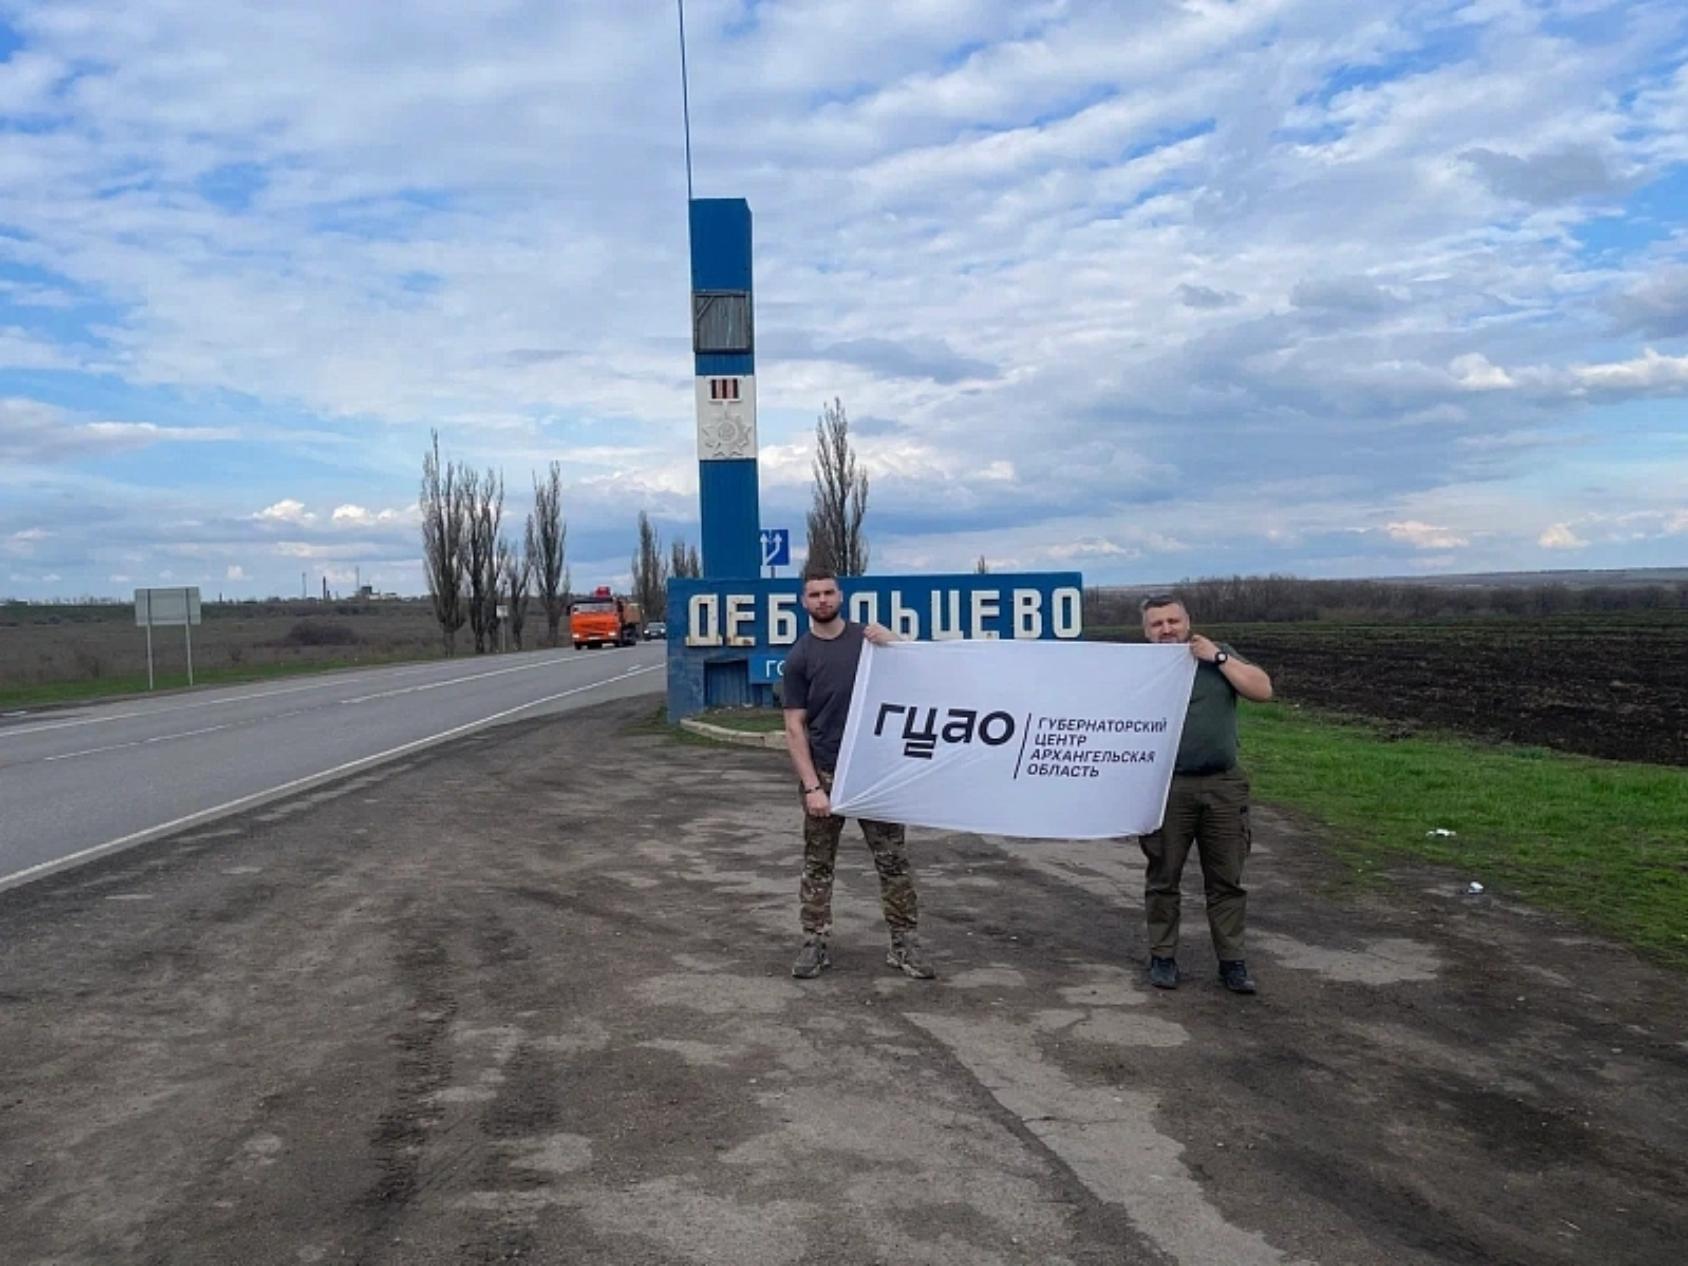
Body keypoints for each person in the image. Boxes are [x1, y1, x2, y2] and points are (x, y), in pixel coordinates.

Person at [781, 566, 935, 980]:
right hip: (827, 773)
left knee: (893, 863)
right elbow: (794, 727)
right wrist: (812, 787)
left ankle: (904, 945)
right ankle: (814, 942)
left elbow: (924, 676)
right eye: (814, 595)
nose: (822, 600)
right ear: (804, 602)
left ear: (841, 596)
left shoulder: (870, 641)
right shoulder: (800, 657)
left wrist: (896, 643)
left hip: (874, 772)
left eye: (828, 592)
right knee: (818, 865)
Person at [1138, 593, 1274, 994]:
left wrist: (1218, 657)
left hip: (1222, 786)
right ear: (1146, 632)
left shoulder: (1218, 656)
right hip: (1167, 787)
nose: (1167, 630)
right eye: (1157, 624)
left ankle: (1232, 962)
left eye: (1173, 621)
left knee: (1226, 879)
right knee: (1163, 877)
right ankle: (1163, 957)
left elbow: (1262, 690)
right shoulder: (1137, 668)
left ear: (1187, 622)